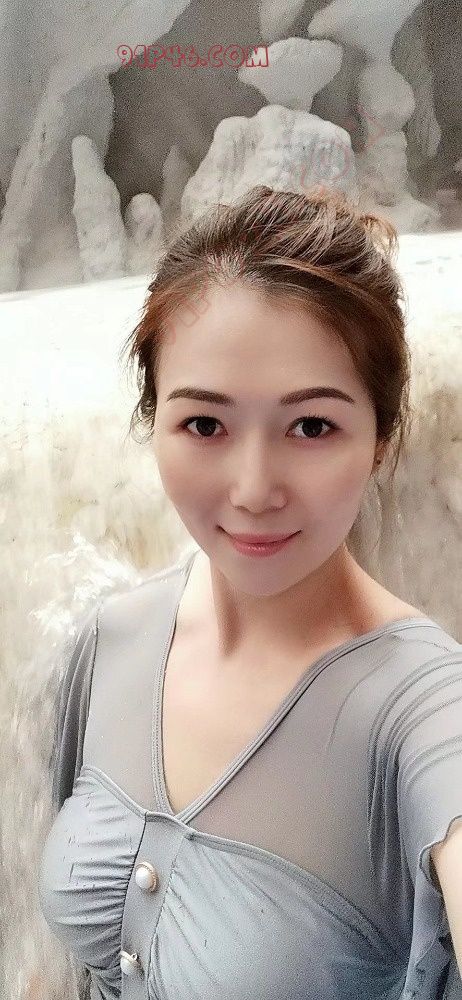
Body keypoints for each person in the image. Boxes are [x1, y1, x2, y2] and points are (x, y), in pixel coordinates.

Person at [38, 185, 462, 999]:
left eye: (312, 426)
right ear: (154, 419)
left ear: (380, 437)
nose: (254, 489)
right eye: (205, 425)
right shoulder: (112, 638)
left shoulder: (425, 711)